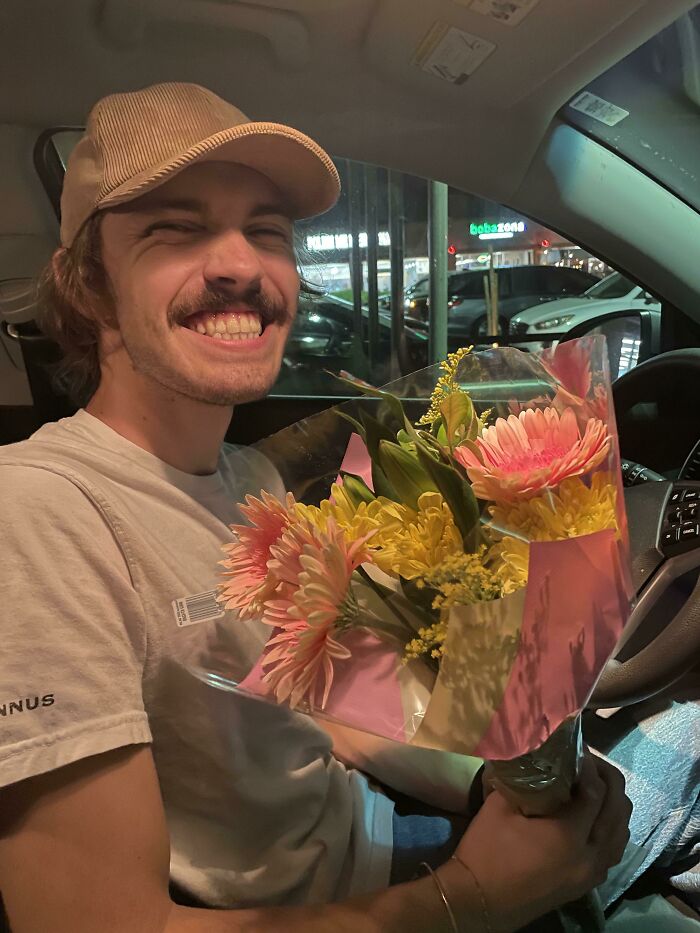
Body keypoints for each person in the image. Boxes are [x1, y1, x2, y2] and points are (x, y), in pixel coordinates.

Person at [0, 81, 685, 933]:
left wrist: (498, 777)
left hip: (391, 834)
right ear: (90, 286)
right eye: (174, 229)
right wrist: (480, 893)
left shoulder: (247, 476)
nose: (241, 264)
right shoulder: (38, 510)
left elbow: (329, 715)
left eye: (267, 230)